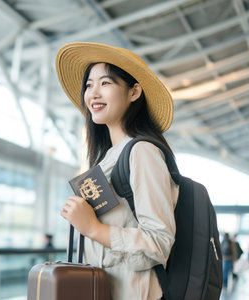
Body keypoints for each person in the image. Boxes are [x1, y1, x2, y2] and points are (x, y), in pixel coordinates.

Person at [57, 42, 178, 300]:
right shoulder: (109, 158)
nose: (93, 94)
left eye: (106, 83)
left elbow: (158, 243)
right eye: (89, 85)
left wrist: (93, 229)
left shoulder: (142, 152)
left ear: (134, 92)